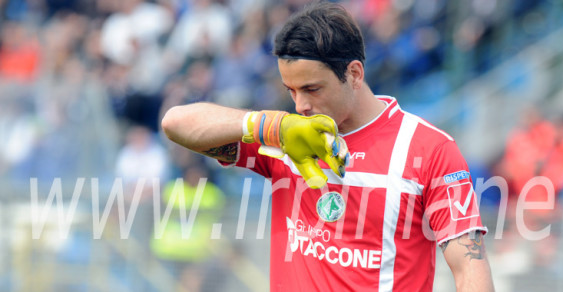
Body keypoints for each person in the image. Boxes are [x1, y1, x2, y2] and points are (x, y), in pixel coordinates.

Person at [161, 2, 493, 291]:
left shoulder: (429, 149)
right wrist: (267, 126)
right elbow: (175, 123)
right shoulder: (285, 136)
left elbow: (469, 267)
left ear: (354, 73)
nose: (301, 105)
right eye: (291, 90)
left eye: (312, 88)